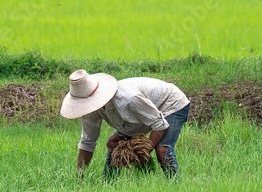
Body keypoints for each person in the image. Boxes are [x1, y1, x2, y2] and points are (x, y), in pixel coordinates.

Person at [60, 69, 190, 178]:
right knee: (113, 143)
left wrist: (141, 152)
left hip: (171, 104)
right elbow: (87, 142)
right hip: (142, 115)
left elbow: (160, 125)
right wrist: (79, 177)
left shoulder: (129, 99)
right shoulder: (88, 111)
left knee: (162, 150)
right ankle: (109, 185)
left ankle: (176, 186)